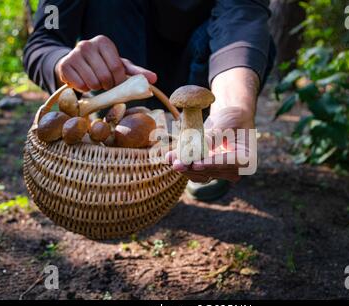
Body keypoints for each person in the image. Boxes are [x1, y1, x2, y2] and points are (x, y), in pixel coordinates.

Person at [24, 0, 275, 201]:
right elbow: (47, 37)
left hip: (198, 68)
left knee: (258, 43)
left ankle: (201, 147)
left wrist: (234, 106)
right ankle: (125, 157)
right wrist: (63, 63)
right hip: (118, 77)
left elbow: (241, 17)